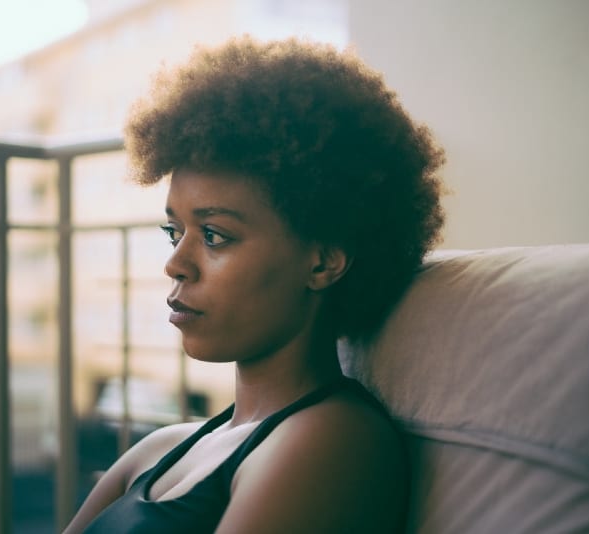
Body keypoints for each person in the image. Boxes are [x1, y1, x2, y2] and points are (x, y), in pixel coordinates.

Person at [63, 36, 445, 533]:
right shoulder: (160, 450)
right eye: (174, 232)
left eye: (215, 235)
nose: (176, 264)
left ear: (323, 262)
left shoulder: (331, 439)